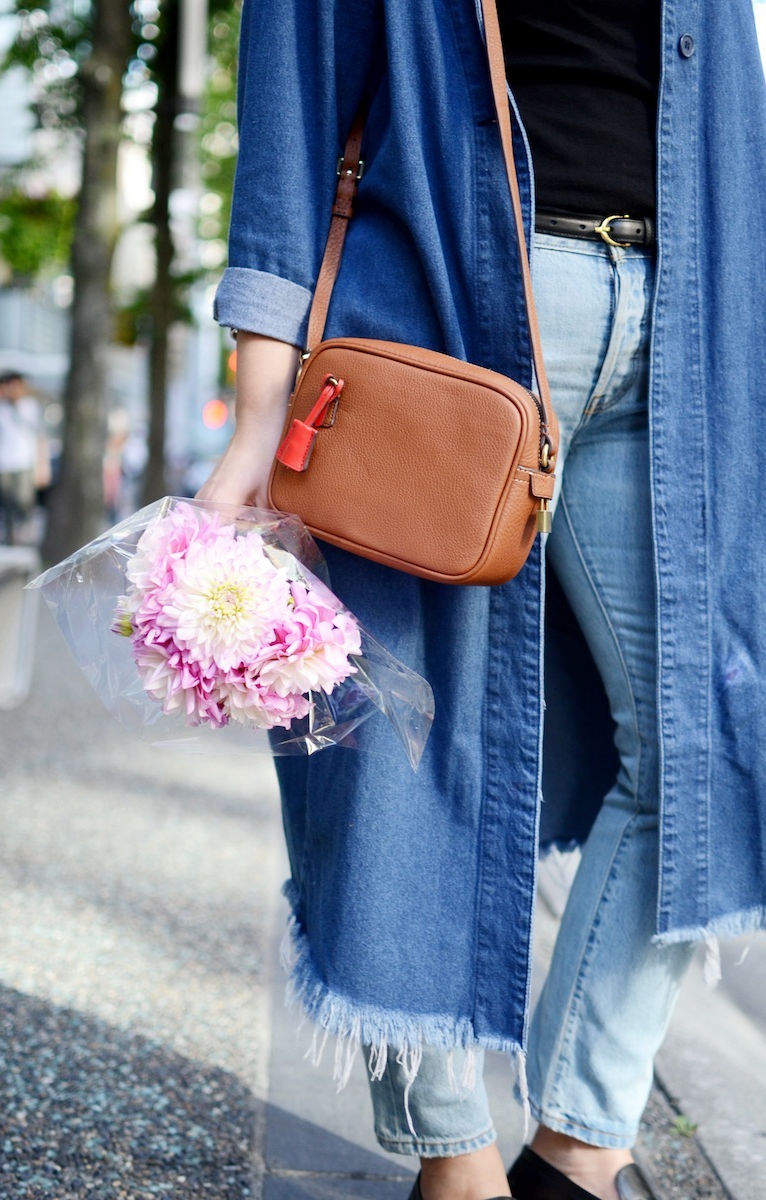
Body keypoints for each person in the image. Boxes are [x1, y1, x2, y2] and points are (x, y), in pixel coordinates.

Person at [199, 2, 766, 1199]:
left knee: (702, 743)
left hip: (687, 325)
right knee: (393, 748)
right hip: (450, 312)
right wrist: (259, 413)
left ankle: (577, 1150)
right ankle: (453, 1167)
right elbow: (294, 94)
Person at [0, 372, 48, 545]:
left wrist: (42, 466)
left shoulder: (31, 407)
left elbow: (40, 437)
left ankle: (25, 533)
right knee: (6, 502)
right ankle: (10, 538)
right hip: (3, 462)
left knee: (24, 500)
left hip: (24, 462)